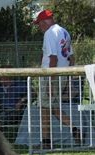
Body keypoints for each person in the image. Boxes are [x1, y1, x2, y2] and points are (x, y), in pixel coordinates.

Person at [34, 9, 80, 146]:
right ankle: (74, 129)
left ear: (44, 22)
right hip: (62, 74)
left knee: (44, 108)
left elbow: (52, 58)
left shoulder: (49, 33)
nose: (39, 27)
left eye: (39, 24)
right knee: (51, 107)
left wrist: (49, 81)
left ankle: (46, 141)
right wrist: (69, 79)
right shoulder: (64, 32)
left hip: (51, 74)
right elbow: (71, 58)